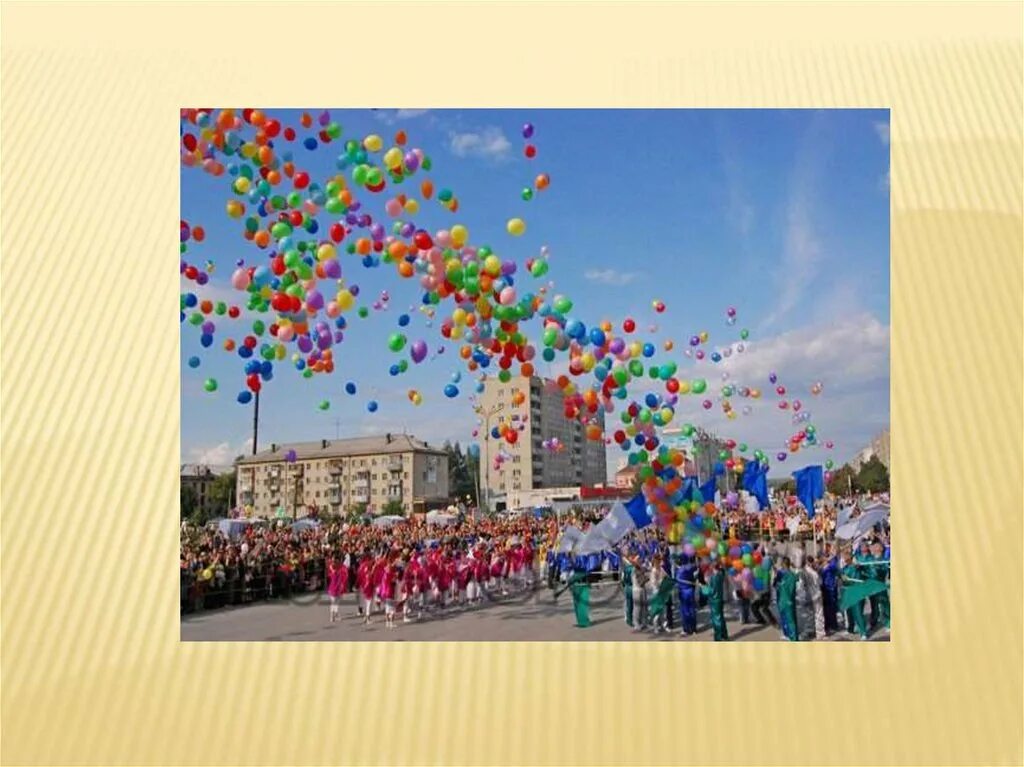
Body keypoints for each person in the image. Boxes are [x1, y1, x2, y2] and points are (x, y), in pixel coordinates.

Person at [555, 562, 591, 628]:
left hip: (581, 586)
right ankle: (582, 622)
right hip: (577, 586)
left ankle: (584, 622)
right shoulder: (576, 565)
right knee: (577, 605)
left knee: (581, 606)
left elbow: (580, 575)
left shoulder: (584, 565)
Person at [700, 559, 729, 641]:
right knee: (721, 618)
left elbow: (711, 591)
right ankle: (724, 634)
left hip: (715, 600)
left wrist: (703, 588)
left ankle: (718, 637)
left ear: (713, 567)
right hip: (719, 598)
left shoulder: (714, 577)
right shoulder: (720, 574)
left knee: (716, 619)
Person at [867, 540, 890, 631]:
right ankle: (873, 622)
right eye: (873, 546)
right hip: (872, 586)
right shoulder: (870, 559)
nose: (873, 548)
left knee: (884, 604)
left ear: (880, 549)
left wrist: (877, 567)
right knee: (873, 604)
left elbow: (884, 570)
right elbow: (866, 569)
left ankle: (888, 622)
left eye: (876, 546)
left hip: (880, 585)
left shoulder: (884, 559)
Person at [675, 552, 699, 636]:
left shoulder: (680, 570)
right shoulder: (690, 567)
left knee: (685, 611)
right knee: (692, 610)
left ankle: (686, 629)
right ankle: (694, 629)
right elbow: (696, 566)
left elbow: (677, 582)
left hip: (683, 592)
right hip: (690, 591)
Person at [775, 557, 799, 641]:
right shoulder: (782, 575)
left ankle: (794, 639)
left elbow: (791, 589)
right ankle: (789, 635)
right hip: (782, 600)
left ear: (785, 564)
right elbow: (778, 586)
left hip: (788, 601)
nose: (781, 566)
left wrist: (789, 600)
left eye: (782, 564)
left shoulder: (791, 575)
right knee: (786, 619)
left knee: (791, 620)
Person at [802, 556, 826, 640]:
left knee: (809, 614)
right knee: (818, 614)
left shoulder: (804, 571)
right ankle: (820, 633)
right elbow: (820, 582)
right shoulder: (814, 573)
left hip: (808, 595)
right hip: (816, 594)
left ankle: (809, 631)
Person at [819, 545, 841, 634]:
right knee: (826, 608)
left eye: (828, 550)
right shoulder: (823, 563)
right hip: (824, 587)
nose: (825, 553)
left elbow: (835, 568)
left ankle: (834, 625)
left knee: (832, 608)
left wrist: (828, 562)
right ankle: (827, 624)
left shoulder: (833, 562)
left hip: (831, 587)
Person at [326, 554, 348, 624]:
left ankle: (335, 614)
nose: (335, 561)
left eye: (336, 559)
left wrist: (343, 585)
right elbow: (330, 573)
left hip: (339, 587)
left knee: (337, 602)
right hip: (333, 587)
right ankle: (332, 616)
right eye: (334, 560)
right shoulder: (332, 567)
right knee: (333, 602)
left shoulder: (342, 567)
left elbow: (345, 576)